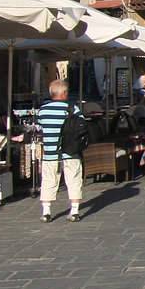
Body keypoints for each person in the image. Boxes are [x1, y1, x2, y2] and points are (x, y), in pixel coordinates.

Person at [37, 79, 85, 223]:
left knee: (48, 180)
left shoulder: (43, 111)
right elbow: (82, 126)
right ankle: (75, 211)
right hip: (71, 152)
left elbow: (39, 128)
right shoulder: (73, 109)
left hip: (50, 153)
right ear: (64, 93)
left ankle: (46, 212)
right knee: (74, 180)